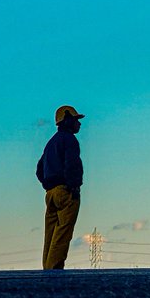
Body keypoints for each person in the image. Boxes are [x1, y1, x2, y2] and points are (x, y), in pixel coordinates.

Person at [36, 104, 84, 270]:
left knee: (50, 234)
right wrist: (74, 187)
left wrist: (48, 185)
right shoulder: (69, 140)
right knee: (63, 233)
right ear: (67, 120)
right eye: (76, 120)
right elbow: (72, 164)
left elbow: (39, 169)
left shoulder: (51, 143)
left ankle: (47, 270)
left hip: (50, 194)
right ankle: (54, 272)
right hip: (65, 192)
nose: (79, 124)